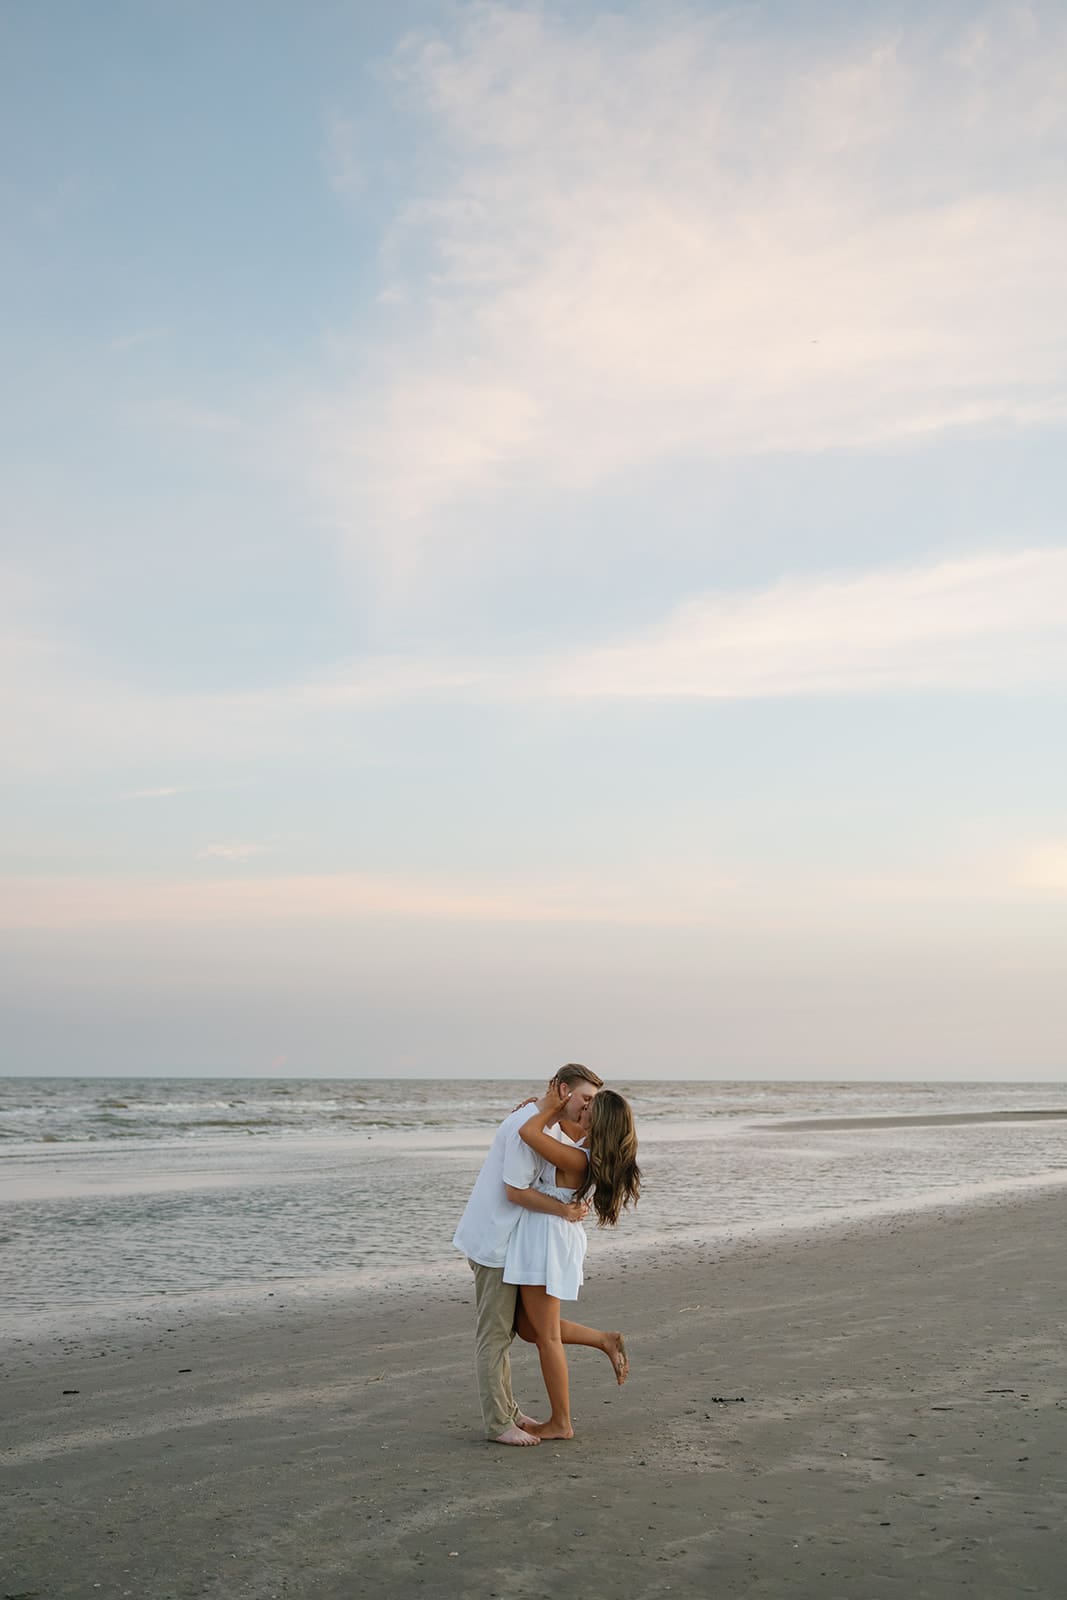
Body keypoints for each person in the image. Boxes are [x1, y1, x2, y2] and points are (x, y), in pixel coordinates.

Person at [452, 1064, 603, 1446]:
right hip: (494, 1239)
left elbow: (564, 1156)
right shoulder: (531, 1124)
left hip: (511, 1241)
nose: (588, 1108)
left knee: (512, 1331)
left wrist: (542, 1108)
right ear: (564, 1090)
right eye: (586, 1099)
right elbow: (515, 1192)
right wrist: (564, 1211)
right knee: (495, 1336)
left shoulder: (544, 1122)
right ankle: (498, 1422)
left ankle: (510, 1411)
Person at [503, 1083, 641, 1441]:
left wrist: (546, 1108)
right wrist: (539, 1103)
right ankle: (604, 1339)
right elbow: (558, 1126)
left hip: (547, 1242)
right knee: (529, 1328)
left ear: (600, 1121)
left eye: (591, 1106)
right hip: (548, 1238)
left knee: (546, 1337)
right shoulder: (585, 1148)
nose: (585, 1107)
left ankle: (560, 1422)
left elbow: (528, 1131)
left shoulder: (579, 1159)